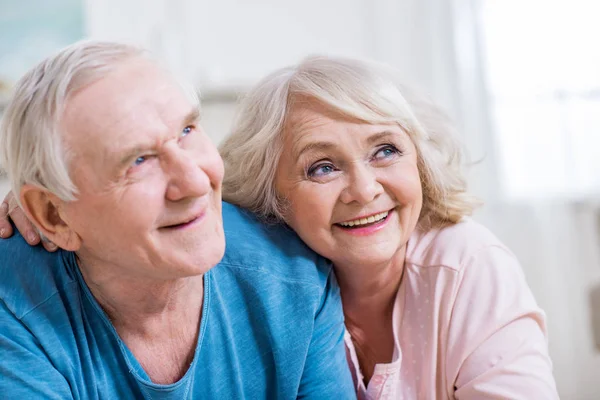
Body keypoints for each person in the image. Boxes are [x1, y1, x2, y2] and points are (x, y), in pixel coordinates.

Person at [1, 55, 559, 398]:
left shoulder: (462, 268)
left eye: (386, 150)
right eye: (322, 166)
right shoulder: (282, 260)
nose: (364, 190)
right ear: (275, 201)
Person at [0, 41, 356, 399]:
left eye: (187, 131)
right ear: (52, 215)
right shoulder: (13, 304)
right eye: (139, 160)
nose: (196, 182)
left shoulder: (292, 280)